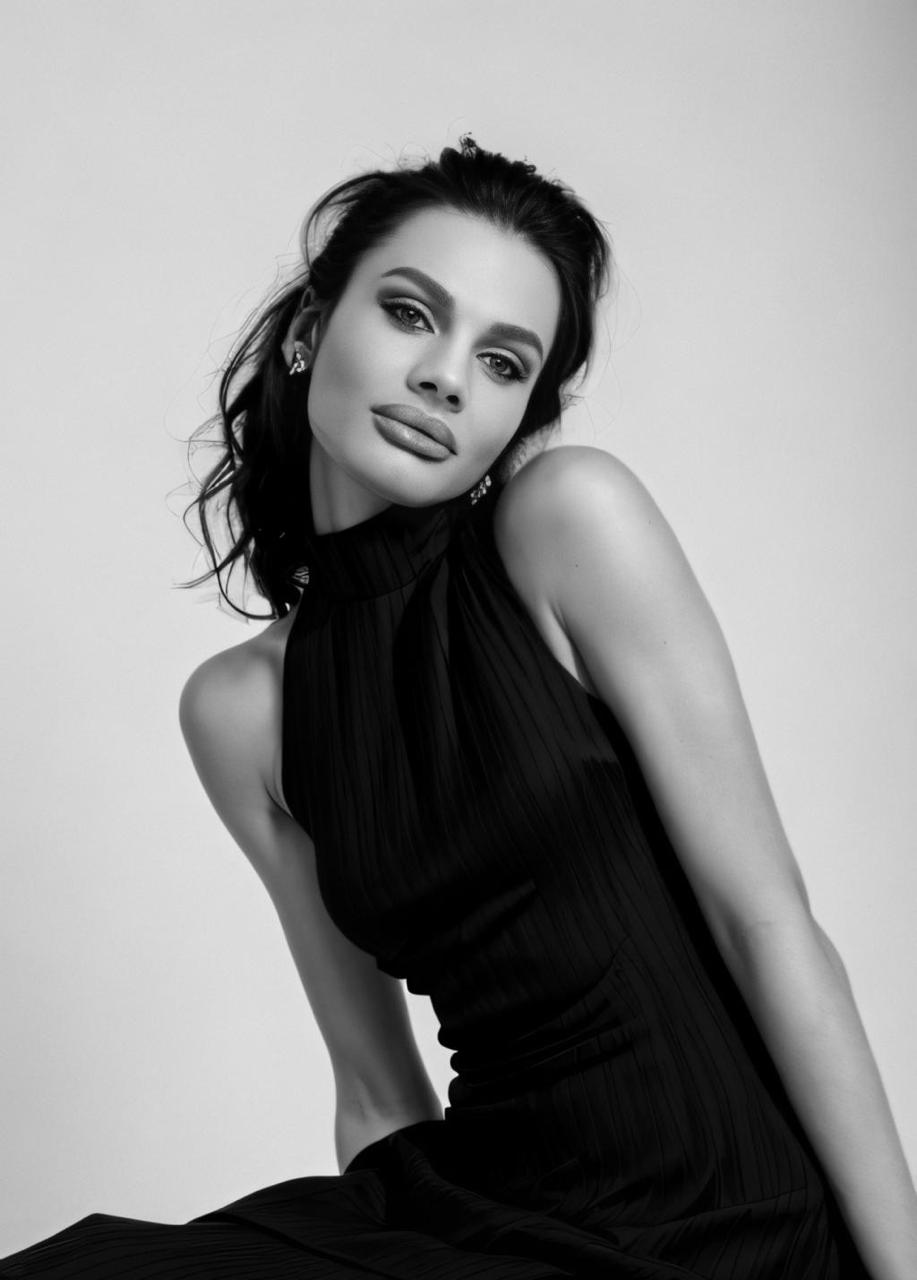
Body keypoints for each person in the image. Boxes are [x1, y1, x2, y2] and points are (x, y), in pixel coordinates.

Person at [2, 137, 914, 1279]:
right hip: (482, 1216)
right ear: (308, 328)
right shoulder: (240, 712)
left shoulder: (566, 524)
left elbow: (768, 925)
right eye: (408, 313)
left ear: (519, 414)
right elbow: (377, 1089)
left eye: (501, 361)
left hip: (726, 1228)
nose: (445, 377)